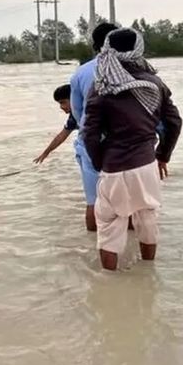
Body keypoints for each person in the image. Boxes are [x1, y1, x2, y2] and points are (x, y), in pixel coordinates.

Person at [83, 28, 182, 271]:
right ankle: (148, 272)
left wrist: (99, 162)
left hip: (114, 166)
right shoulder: (156, 83)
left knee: (108, 226)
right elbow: (174, 123)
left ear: (107, 48)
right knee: (147, 218)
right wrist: (163, 156)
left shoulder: (102, 86)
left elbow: (89, 133)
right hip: (147, 164)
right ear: (139, 49)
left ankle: (109, 282)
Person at [70, 22, 119, 231]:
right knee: (131, 205)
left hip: (91, 142)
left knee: (93, 201)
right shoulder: (135, 69)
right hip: (125, 145)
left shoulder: (80, 73)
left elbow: (78, 112)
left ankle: (92, 252)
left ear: (94, 45)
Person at [33, 84, 78, 164]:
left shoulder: (89, 111)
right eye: (59, 103)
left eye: (63, 102)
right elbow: (61, 136)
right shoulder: (74, 117)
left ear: (74, 99)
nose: (61, 107)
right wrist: (46, 152)